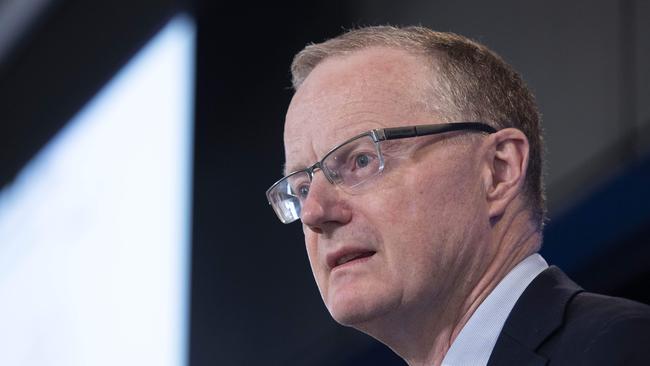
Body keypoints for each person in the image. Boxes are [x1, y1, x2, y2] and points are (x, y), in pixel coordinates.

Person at [265, 26, 650, 366]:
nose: (314, 212)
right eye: (300, 188)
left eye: (361, 160)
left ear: (498, 171)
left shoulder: (623, 348)